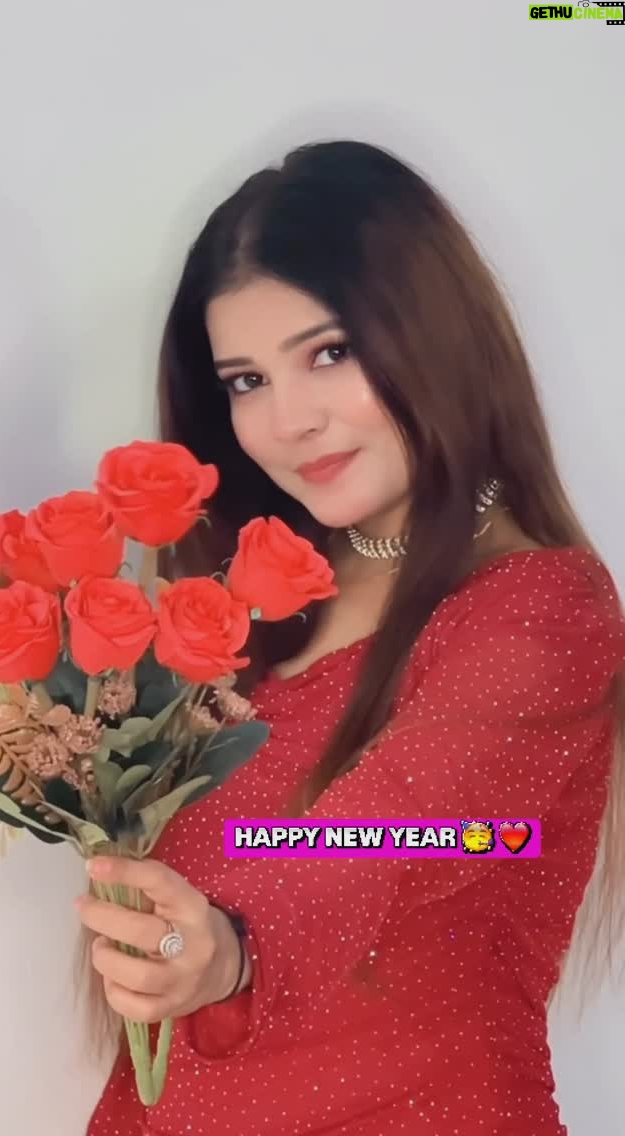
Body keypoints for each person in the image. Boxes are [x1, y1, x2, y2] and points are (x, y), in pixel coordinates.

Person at [81, 140, 625, 1136]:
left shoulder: (542, 609)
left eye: (328, 353)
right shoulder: (243, 606)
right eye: (246, 380)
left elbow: (398, 831)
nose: (288, 420)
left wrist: (232, 945)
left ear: (434, 333)